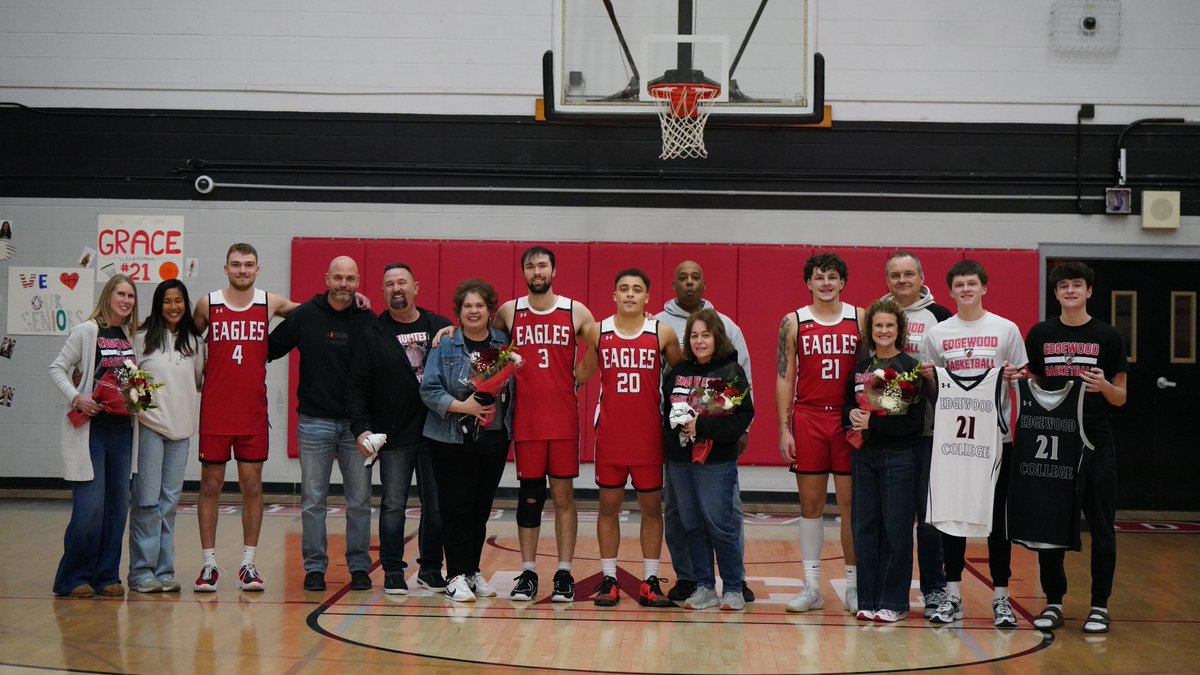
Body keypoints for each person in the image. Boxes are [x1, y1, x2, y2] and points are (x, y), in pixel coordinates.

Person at [920, 259, 1027, 627]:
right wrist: (930, 378)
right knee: (953, 518)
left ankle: (1001, 598)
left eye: (972, 283)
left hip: (996, 441)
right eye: (959, 285)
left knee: (998, 521)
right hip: (952, 443)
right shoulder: (938, 335)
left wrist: (1016, 375)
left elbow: (1023, 375)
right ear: (950, 291)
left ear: (984, 287)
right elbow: (932, 387)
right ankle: (953, 597)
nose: (966, 289)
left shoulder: (1006, 329)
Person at [1023, 260, 1127, 634]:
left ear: (1089, 291)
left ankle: (1099, 605)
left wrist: (1106, 388)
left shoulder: (1108, 336)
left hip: (1096, 441)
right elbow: (1031, 386)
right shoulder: (1040, 334)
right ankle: (1053, 602)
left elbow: (1121, 397)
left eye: (1077, 285)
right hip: (1053, 441)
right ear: (1055, 293)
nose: (1070, 290)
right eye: (1063, 285)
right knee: (1049, 526)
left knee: (1101, 526)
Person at [192, 243, 299, 592]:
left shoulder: (270, 303)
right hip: (215, 413)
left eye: (248, 265)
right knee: (210, 486)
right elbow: (184, 343)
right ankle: (208, 564)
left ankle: (248, 564)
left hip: (253, 412)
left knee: (252, 487)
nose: (242, 270)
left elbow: (316, 312)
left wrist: (352, 304)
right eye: (236, 265)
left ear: (258, 269)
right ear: (225, 269)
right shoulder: (208, 304)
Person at [268, 256, 376, 593]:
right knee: (314, 501)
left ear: (358, 281)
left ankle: (359, 566)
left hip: (357, 427)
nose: (344, 284)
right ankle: (315, 568)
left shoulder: (369, 320)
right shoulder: (305, 316)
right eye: (338, 278)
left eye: (350, 279)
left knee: (359, 501)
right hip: (314, 422)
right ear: (327, 278)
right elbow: (267, 349)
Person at [576, 269, 683, 608]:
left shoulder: (663, 333)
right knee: (608, 508)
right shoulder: (597, 331)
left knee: (652, 509)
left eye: (637, 289)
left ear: (648, 297)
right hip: (610, 435)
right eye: (623, 289)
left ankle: (650, 579)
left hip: (649, 436)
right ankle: (609, 579)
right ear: (614, 295)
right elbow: (582, 372)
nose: (630, 294)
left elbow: (685, 376)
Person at [347, 263, 451, 595]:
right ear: (383, 292)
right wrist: (360, 429)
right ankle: (393, 569)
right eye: (389, 284)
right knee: (393, 504)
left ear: (416, 286)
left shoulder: (440, 326)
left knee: (435, 506)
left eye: (402, 282)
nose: (397, 288)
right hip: (394, 435)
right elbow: (357, 387)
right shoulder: (373, 335)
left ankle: (431, 569)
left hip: (436, 433)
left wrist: (455, 333)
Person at [655, 260, 754, 604]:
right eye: (694, 336)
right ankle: (703, 586)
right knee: (691, 523)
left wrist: (704, 427)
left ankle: (734, 586)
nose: (699, 341)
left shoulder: (729, 370)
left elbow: (743, 412)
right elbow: (665, 408)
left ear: (717, 337)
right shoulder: (678, 370)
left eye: (705, 335)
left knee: (720, 523)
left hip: (716, 460)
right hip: (680, 460)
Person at [500, 247, 594, 602]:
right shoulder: (510, 311)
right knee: (529, 498)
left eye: (542, 265)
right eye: (530, 266)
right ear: (523, 272)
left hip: (564, 421)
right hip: (526, 421)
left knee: (563, 497)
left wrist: (578, 377)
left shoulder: (575, 310)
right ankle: (527, 572)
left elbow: (600, 345)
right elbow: (481, 338)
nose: (536, 271)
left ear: (554, 270)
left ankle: (564, 572)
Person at [776, 252, 863, 614]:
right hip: (809, 418)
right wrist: (784, 428)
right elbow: (784, 375)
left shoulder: (861, 317)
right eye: (818, 277)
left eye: (832, 277)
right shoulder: (793, 321)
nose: (826, 283)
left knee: (850, 508)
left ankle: (855, 586)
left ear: (842, 281)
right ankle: (811, 586)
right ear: (808, 283)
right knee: (810, 507)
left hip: (847, 420)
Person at [419, 278, 515, 602]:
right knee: (455, 508)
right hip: (449, 440)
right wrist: (465, 407)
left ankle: (472, 572)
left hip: (492, 439)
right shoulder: (445, 343)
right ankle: (455, 575)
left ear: (490, 311)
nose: (473, 311)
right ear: (458, 313)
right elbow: (429, 389)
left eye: (480, 306)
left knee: (480, 510)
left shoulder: (502, 344)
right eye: (467, 306)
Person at [48, 274, 139, 598]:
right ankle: (71, 578)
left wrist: (138, 395)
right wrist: (76, 397)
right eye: (120, 294)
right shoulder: (88, 330)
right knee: (90, 510)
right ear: (108, 296)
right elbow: (57, 367)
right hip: (91, 433)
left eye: (130, 295)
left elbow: (130, 383)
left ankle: (106, 575)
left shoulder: (129, 337)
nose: (126, 300)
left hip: (122, 433)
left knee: (116, 509)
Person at [881, 251, 952, 617]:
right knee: (892, 520)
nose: (903, 280)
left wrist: (932, 380)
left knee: (928, 519)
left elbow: (953, 377)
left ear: (922, 277)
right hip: (888, 434)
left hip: (929, 432)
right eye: (896, 274)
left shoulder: (941, 318)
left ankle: (934, 590)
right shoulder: (876, 315)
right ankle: (890, 592)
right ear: (887, 280)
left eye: (909, 273)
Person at [844, 299, 924, 623]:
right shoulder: (860, 369)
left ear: (899, 329)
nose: (884, 331)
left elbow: (912, 423)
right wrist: (850, 415)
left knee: (896, 530)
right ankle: (868, 599)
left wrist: (873, 424)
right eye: (878, 326)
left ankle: (894, 601)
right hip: (863, 456)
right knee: (864, 529)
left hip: (899, 457)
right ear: (870, 330)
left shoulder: (910, 368)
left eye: (890, 325)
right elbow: (847, 409)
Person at [127, 279, 205, 593]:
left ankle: (163, 570)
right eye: (166, 301)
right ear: (158, 305)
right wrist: (146, 408)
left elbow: (198, 382)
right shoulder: (141, 338)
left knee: (169, 503)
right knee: (147, 502)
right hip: (149, 429)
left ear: (185, 304)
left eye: (178, 300)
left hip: (182, 431)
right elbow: (130, 384)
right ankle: (140, 572)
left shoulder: (195, 343)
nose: (173, 307)